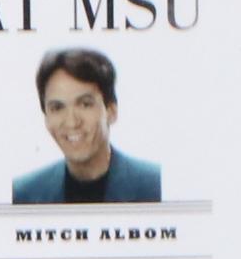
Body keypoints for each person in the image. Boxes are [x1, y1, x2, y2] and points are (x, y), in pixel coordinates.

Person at [12, 47, 163, 204]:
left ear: (111, 111)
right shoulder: (23, 193)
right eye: (57, 107)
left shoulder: (155, 186)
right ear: (46, 118)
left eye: (85, 104)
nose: (71, 122)